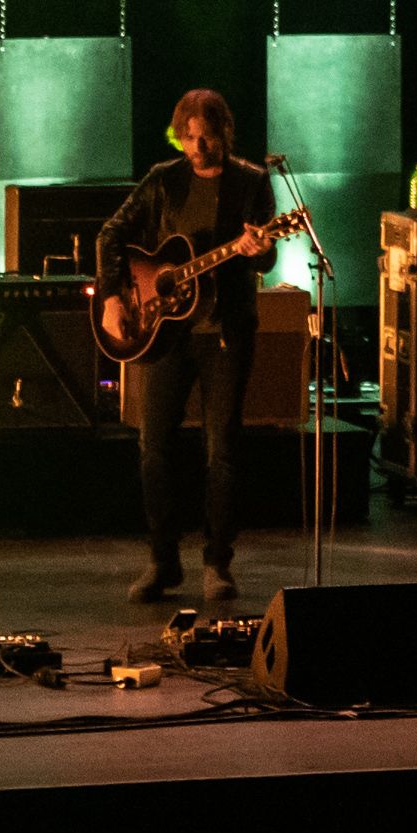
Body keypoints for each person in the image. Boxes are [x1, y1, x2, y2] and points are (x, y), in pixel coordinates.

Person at [104, 90, 284, 603]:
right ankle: (162, 562)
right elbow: (110, 234)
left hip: (224, 331)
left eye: (206, 136)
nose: (197, 146)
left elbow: (265, 261)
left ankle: (217, 563)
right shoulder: (163, 180)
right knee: (154, 447)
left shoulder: (251, 181)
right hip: (164, 334)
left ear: (224, 133)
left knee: (222, 451)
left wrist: (260, 249)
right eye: (188, 137)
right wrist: (114, 295)